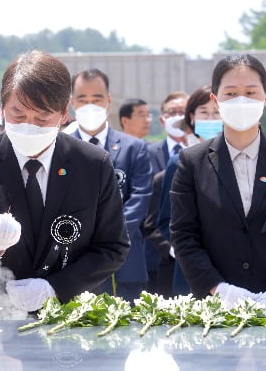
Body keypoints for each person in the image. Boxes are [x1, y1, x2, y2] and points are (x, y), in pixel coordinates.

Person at [0, 50, 130, 311]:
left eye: (42, 118)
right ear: (2, 109)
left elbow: (113, 246)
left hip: (72, 310)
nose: (29, 126)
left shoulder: (92, 164)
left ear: (63, 114)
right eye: (18, 115)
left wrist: (55, 288)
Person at [170, 53, 266, 311]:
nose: (241, 100)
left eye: (251, 92)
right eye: (231, 93)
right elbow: (183, 235)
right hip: (215, 310)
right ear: (215, 101)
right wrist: (221, 291)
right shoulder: (191, 162)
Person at [69, 69, 152, 301]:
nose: (90, 105)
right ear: (72, 103)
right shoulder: (60, 147)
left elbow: (140, 196)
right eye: (82, 100)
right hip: (76, 263)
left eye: (96, 99)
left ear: (108, 100)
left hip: (126, 263)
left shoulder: (134, 147)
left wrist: (110, 233)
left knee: (130, 331)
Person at [156, 85, 221, 296]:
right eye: (204, 112)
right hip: (191, 272)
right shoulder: (179, 162)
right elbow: (166, 221)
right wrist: (191, 252)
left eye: (217, 112)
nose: (211, 119)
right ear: (191, 117)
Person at [143, 91, 188, 294]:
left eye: (183, 112)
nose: (178, 116)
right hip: (159, 259)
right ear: (162, 119)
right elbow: (146, 213)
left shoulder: (207, 153)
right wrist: (171, 249)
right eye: (172, 112)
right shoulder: (144, 154)